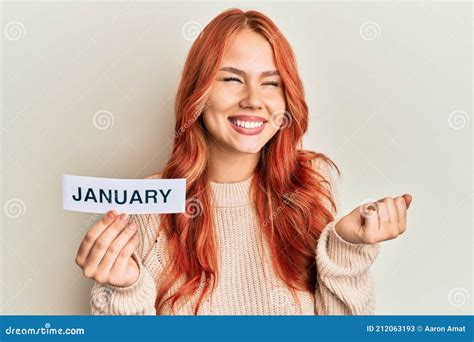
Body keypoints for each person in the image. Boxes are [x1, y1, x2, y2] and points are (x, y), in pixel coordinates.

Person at [75, 8, 412, 315]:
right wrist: (123, 291)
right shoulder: (146, 208)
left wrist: (347, 249)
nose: (253, 100)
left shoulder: (312, 186)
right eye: (232, 79)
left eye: (271, 83)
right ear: (199, 93)